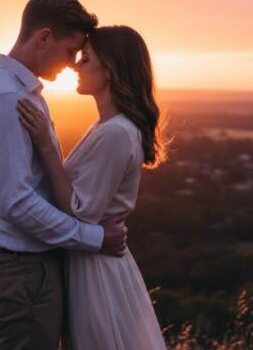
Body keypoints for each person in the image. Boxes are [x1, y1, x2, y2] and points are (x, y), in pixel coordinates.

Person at [0, 0, 129, 350]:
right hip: (20, 269)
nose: (73, 63)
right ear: (44, 37)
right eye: (71, 51)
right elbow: (18, 202)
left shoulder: (21, 94)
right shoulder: (9, 99)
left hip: (28, 266)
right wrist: (95, 239)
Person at [17, 25, 168, 349]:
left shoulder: (115, 133)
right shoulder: (105, 126)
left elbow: (80, 212)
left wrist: (46, 146)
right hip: (90, 258)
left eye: (85, 59)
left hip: (96, 270)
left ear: (110, 71)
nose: (75, 65)